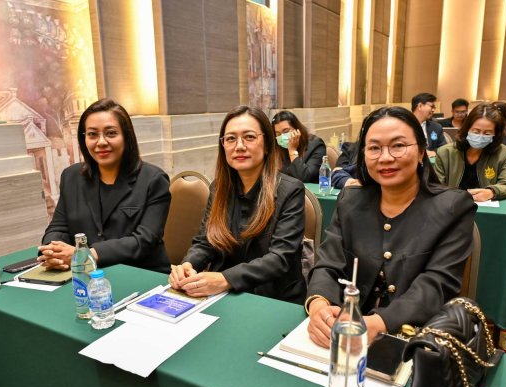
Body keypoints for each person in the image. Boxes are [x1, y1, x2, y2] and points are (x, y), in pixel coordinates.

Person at [305, 106, 476, 347]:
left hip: (415, 336)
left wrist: (379, 322)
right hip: (347, 326)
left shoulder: (452, 207)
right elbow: (328, 263)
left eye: (398, 146)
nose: (385, 158)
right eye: (374, 148)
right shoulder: (351, 200)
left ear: (421, 152)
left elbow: (437, 283)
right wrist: (318, 304)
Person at [169, 105, 306, 304]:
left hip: (272, 297)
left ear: (267, 145)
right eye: (231, 139)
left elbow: (280, 258)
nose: (239, 146)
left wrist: (225, 279)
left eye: (249, 137)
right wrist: (188, 264)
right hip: (221, 294)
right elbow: (205, 242)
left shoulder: (291, 190)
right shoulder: (218, 188)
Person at [39, 98, 171, 274]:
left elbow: (144, 240)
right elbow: (58, 227)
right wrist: (52, 251)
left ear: (126, 137)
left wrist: (87, 255)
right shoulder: (71, 177)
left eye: (111, 133)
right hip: (87, 274)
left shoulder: (153, 180)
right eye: (92, 134)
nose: (101, 142)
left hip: (141, 273)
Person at [434, 102, 506, 201]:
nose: (480, 137)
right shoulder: (445, 152)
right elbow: (435, 185)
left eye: (487, 133)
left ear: (495, 135)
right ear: (467, 129)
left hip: (485, 205)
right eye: (476, 131)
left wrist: (492, 192)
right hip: (453, 204)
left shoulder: (504, 153)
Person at [271, 110, 326, 183]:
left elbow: (304, 177)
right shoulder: (277, 147)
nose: (282, 136)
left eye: (286, 131)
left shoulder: (316, 144)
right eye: (278, 134)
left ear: (297, 129)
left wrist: (292, 151)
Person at [411, 93, 445, 157]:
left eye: (434, 107)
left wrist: (434, 152)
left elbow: (443, 148)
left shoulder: (436, 127)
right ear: (420, 106)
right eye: (432, 107)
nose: (433, 110)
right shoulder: (403, 125)